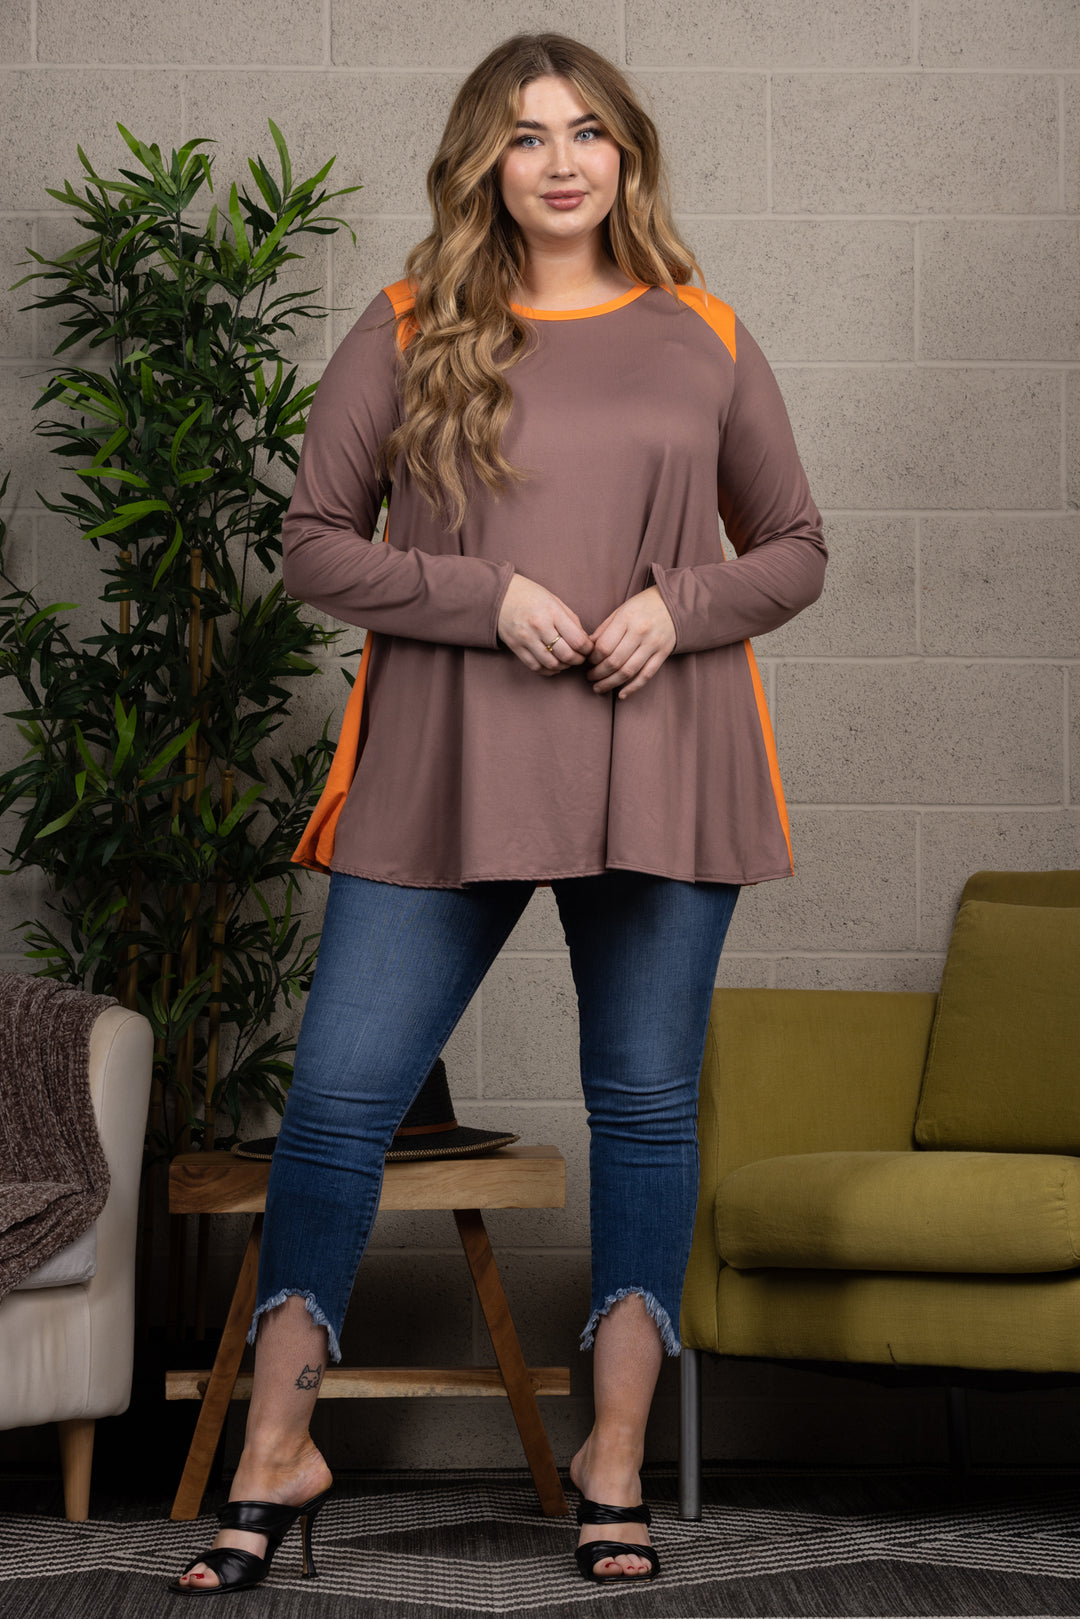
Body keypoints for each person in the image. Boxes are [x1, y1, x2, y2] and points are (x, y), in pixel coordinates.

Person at [169, 30, 827, 1596]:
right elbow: (314, 543)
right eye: (527, 134)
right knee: (339, 1103)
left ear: (626, 153)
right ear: (484, 161)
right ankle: (277, 1452)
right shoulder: (407, 323)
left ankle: (615, 1463)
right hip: (446, 762)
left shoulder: (704, 331)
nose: (561, 160)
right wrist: (484, 596)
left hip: (663, 757)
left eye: (588, 131)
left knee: (644, 1109)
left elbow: (795, 546)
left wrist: (680, 605)